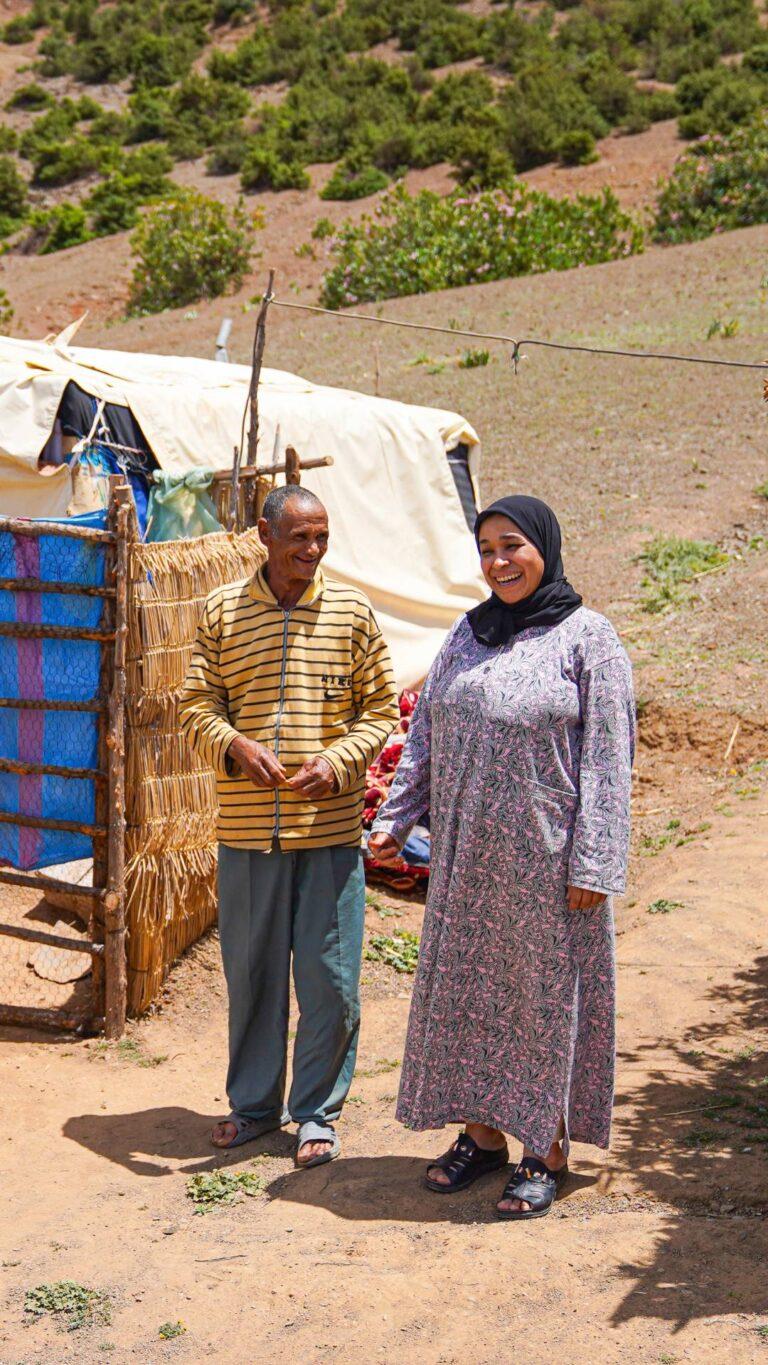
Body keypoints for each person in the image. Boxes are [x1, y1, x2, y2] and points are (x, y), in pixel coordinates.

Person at [368, 494, 635, 1220]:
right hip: (465, 862)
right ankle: (481, 1135)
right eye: (486, 548)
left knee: (541, 1004)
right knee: (466, 997)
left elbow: (610, 760)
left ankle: (543, 1149)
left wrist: (595, 864)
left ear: (544, 546)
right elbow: (424, 730)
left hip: (550, 869)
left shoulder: (590, 639)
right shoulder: (467, 633)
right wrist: (396, 818)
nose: (498, 561)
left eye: (511, 545)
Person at [180, 485, 399, 1168]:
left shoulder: (353, 613)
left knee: (330, 978)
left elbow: (382, 710)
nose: (311, 550)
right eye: (298, 536)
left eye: (322, 537)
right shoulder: (221, 612)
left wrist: (338, 762)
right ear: (263, 536)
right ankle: (252, 1107)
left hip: (329, 831)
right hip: (247, 833)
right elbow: (194, 705)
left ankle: (317, 1114)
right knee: (252, 975)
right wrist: (235, 746)